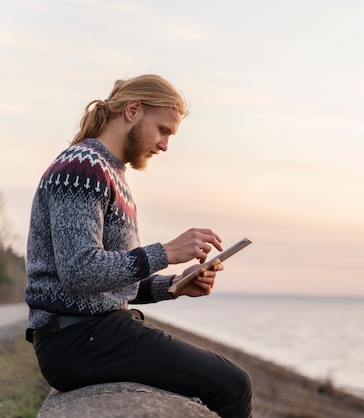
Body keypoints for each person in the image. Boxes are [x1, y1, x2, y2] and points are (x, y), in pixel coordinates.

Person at [24, 74, 253, 418]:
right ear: (133, 110)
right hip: (77, 341)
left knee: (230, 380)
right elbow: (80, 272)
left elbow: (106, 283)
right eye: (163, 130)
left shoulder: (110, 172)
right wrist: (168, 252)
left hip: (92, 334)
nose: (164, 145)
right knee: (233, 384)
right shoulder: (81, 168)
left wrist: (173, 287)